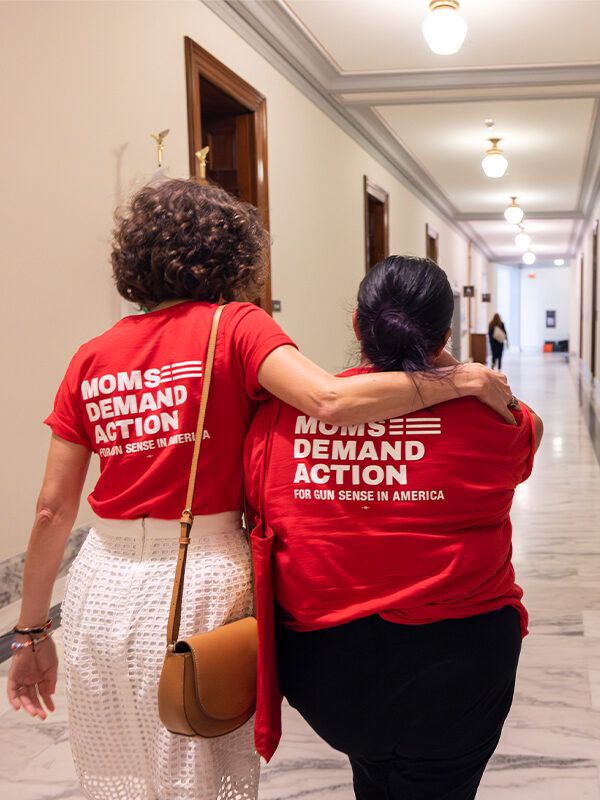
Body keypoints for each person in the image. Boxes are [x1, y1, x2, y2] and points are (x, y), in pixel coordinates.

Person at [7, 181, 515, 800]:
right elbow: (329, 400)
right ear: (233, 254)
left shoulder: (91, 357)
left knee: (119, 764)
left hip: (100, 582)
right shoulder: (235, 327)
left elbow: (51, 509)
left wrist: (31, 632)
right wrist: (463, 377)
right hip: (201, 574)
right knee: (198, 760)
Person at [244, 255, 543, 800]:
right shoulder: (497, 417)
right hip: (459, 666)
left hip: (325, 672)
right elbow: (525, 439)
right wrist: (452, 371)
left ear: (359, 326)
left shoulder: (279, 416)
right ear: (445, 334)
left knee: (373, 772)